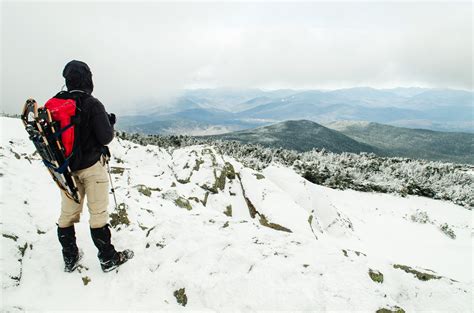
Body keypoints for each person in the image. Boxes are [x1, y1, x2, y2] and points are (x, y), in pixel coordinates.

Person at [56, 60, 133, 272]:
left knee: (67, 213)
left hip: (67, 169)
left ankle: (70, 258)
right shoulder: (92, 104)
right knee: (98, 213)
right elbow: (106, 137)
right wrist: (108, 122)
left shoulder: (56, 103)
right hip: (91, 166)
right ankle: (108, 258)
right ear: (88, 79)